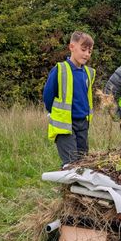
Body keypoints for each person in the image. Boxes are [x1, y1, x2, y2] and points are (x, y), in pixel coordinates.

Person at [43, 31, 96, 166]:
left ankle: (77, 187)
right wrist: (54, 112)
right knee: (71, 162)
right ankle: (67, 186)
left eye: (89, 51)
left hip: (83, 123)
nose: (86, 54)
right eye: (83, 50)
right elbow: (48, 95)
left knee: (83, 161)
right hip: (64, 123)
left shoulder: (89, 73)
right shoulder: (60, 69)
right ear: (72, 47)